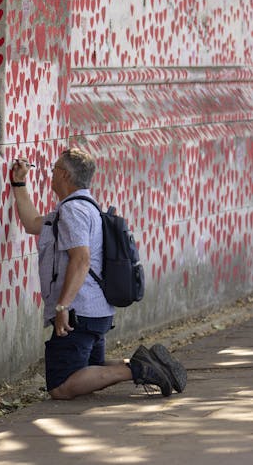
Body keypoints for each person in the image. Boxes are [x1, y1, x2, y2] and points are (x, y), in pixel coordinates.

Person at [10, 148, 187, 399]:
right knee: (85, 370)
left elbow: (81, 260)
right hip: (95, 311)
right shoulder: (81, 207)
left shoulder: (73, 211)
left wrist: (62, 308)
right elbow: (32, 224)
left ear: (63, 174)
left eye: (54, 169)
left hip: (79, 312)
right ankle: (147, 362)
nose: (51, 173)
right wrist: (19, 182)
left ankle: (140, 369)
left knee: (61, 386)